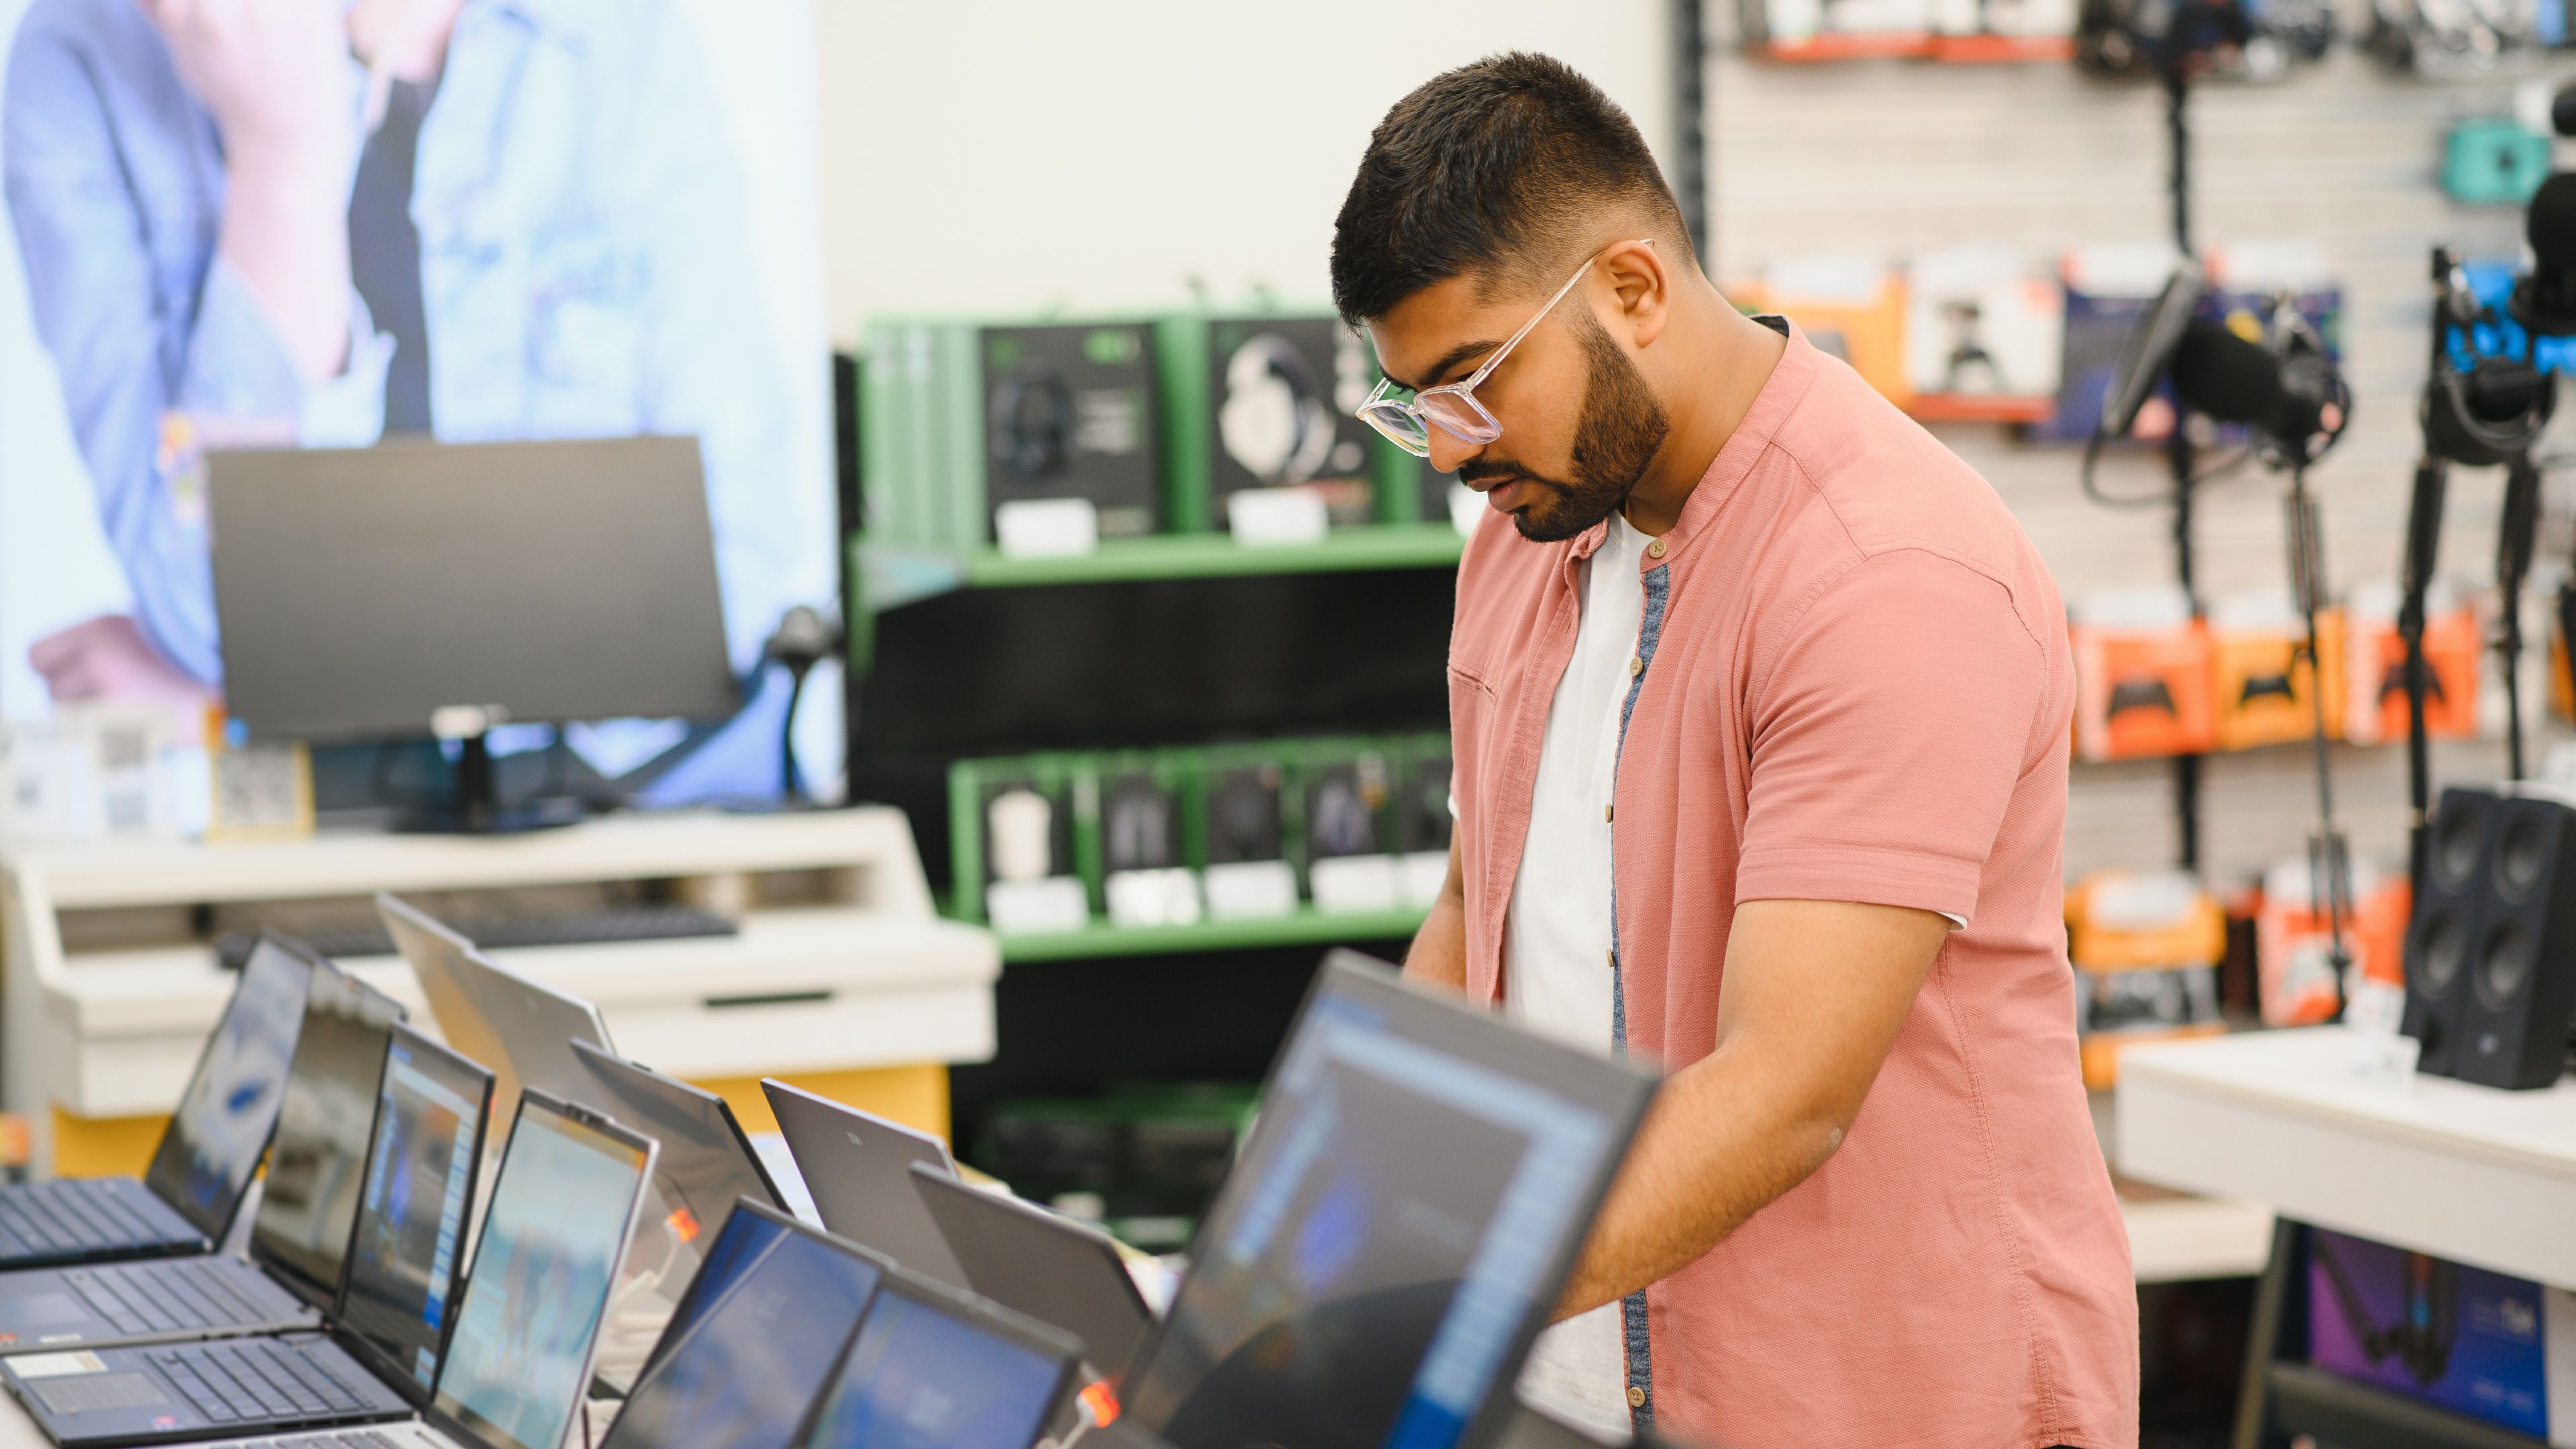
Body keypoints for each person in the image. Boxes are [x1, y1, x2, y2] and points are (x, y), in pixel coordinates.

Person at [1335, 54, 2137, 1449]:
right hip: (1572, 1383)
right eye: (1415, 406)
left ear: (1634, 290)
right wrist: (1331, 1232)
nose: (1449, 451)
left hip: (1881, 1394)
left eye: (1472, 383)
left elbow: (1784, 1096)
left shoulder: (1887, 571)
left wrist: (1422, 1300)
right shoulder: (1527, 537)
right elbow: (1483, 916)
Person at [3, 0, 813, 800]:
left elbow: (727, 582)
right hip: (343, 854)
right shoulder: (84, 52)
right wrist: (283, 165)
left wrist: (232, 718)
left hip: (657, 805)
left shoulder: (618, 38)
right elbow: (209, 625)